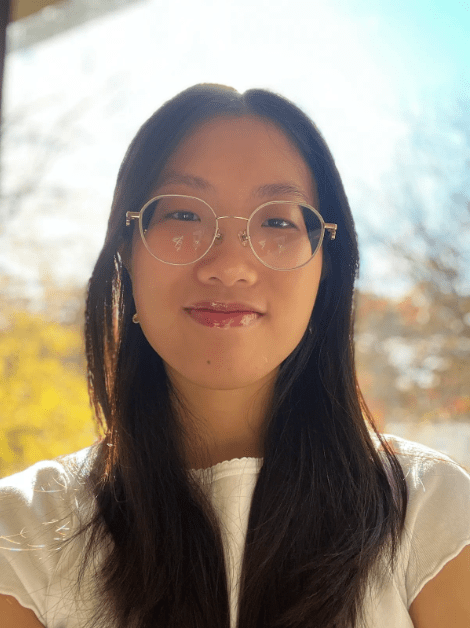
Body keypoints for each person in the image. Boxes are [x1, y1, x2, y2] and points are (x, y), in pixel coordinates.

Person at [0, 83, 469, 628]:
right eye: (183, 215)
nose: (228, 266)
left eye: (277, 222)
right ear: (127, 249)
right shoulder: (23, 536)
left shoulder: (431, 513)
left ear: (326, 265)